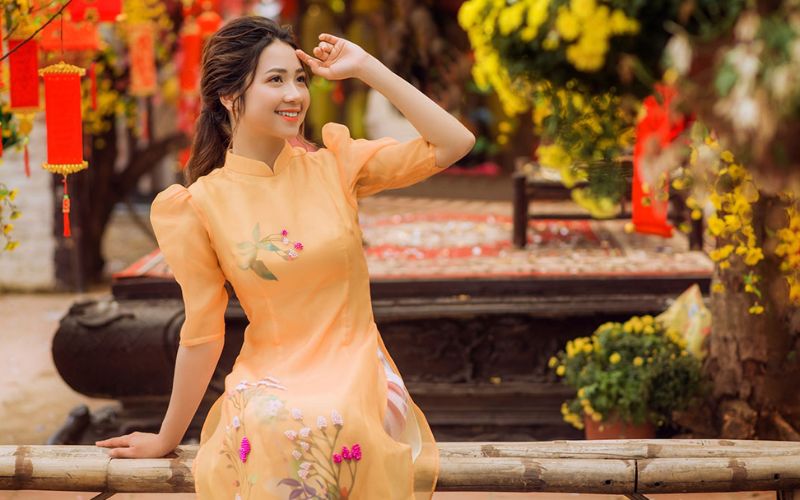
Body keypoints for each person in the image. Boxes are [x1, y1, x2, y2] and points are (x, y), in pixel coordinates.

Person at [95, 15, 474, 499]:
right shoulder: (199, 205)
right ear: (230, 98)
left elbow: (454, 143)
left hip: (359, 372)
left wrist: (367, 67)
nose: (295, 94)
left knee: (324, 416)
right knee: (270, 420)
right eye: (275, 80)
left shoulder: (336, 164)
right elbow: (202, 335)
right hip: (269, 381)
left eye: (300, 79)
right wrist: (167, 437)